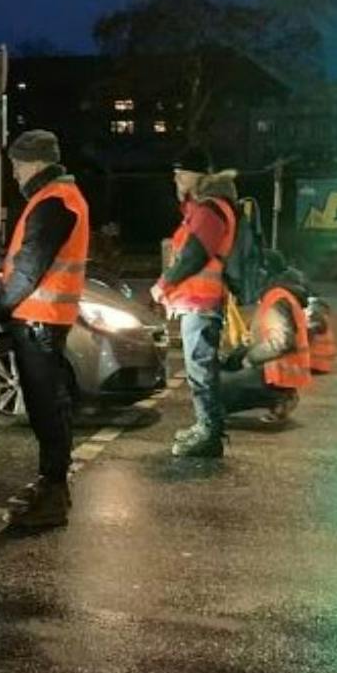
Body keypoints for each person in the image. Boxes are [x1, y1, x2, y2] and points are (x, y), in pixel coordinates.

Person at [0, 130, 89, 528]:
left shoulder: (53, 202)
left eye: (16, 164)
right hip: (44, 320)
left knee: (46, 408)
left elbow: (30, 265)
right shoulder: (58, 198)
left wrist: (3, 307)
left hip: (38, 321)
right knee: (51, 406)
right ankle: (51, 483)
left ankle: (53, 492)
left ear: (34, 162)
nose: (14, 173)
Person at [151, 150, 238, 459]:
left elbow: (194, 255)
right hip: (197, 303)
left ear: (197, 176)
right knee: (199, 369)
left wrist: (163, 285)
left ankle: (209, 432)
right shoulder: (203, 208)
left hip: (202, 304)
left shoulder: (209, 209)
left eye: (180, 173)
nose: (176, 179)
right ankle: (206, 427)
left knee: (201, 370)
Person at [221, 251, 312, 423]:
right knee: (232, 362)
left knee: (216, 387)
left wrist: (249, 358)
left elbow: (280, 343)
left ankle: (278, 397)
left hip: (275, 374)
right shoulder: (283, 294)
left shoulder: (276, 298)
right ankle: (280, 396)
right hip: (280, 372)